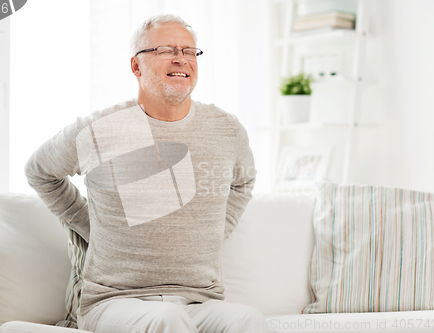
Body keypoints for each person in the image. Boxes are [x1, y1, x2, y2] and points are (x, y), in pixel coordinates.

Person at [25, 14, 267, 333]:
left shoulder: (226, 129)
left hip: (199, 302)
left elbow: (244, 180)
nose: (181, 58)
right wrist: (92, 225)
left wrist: (219, 228)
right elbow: (40, 172)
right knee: (167, 320)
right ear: (136, 66)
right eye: (166, 49)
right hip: (115, 302)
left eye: (189, 51)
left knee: (248, 319)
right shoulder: (99, 129)